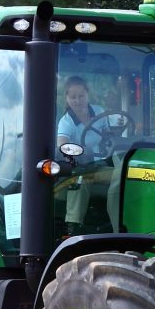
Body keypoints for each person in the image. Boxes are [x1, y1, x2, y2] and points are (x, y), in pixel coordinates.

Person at [56, 76, 106, 234]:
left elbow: (110, 133)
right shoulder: (66, 122)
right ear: (67, 98)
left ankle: (118, 224)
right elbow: (62, 145)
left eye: (81, 96)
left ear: (88, 95)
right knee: (80, 179)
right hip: (81, 166)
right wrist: (80, 152)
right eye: (73, 97)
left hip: (103, 163)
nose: (78, 101)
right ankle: (72, 227)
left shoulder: (99, 112)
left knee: (123, 176)